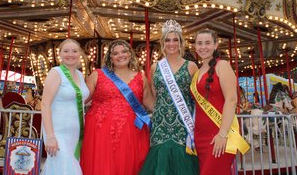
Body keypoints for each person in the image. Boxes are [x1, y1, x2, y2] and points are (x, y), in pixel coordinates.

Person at [81, 39, 153, 175]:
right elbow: (81, 99)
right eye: (115, 53)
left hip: (132, 132)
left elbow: (151, 103)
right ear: (110, 57)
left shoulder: (140, 77)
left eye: (124, 51)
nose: (121, 55)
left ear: (130, 54)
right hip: (100, 131)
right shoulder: (97, 75)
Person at [140, 20, 199, 175]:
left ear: (181, 43)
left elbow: (197, 96)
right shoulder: (155, 67)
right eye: (167, 40)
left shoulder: (191, 66)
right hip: (161, 123)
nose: (171, 43)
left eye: (175, 40)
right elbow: (153, 95)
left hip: (183, 122)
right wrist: (161, 110)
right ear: (162, 43)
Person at [190, 29, 249, 175]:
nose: (203, 47)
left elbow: (231, 100)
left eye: (208, 43)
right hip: (200, 136)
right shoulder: (198, 71)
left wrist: (222, 134)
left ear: (216, 45)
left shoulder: (222, 66)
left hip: (219, 134)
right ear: (195, 47)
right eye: (199, 43)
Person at [41, 38, 89, 175]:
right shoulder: (56, 73)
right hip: (58, 132)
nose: (70, 54)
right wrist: (50, 136)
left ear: (80, 54)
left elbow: (79, 100)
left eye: (74, 51)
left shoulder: (79, 75)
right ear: (60, 54)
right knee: (66, 168)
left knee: (60, 169)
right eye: (66, 51)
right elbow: (45, 104)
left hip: (74, 133)